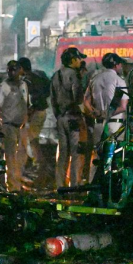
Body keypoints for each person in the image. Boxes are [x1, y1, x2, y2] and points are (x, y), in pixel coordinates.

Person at [85, 52, 129, 181]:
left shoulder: (95, 78)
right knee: (114, 157)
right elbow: (123, 106)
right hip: (115, 124)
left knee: (97, 157)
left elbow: (86, 100)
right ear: (116, 65)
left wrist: (94, 112)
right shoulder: (120, 81)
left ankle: (93, 187)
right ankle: (110, 186)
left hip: (98, 123)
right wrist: (106, 114)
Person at [52, 47, 86, 188]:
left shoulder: (56, 75)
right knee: (76, 153)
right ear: (72, 60)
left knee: (63, 154)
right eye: (78, 58)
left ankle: (60, 185)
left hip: (60, 118)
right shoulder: (74, 75)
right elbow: (78, 99)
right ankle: (73, 186)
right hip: (73, 118)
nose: (80, 61)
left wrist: (58, 115)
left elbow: (53, 99)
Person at [0, 60, 30, 192]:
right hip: (8, 125)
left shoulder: (24, 85)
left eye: (15, 69)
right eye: (10, 70)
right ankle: (12, 186)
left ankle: (17, 182)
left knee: (21, 155)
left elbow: (25, 104)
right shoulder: (3, 87)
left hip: (21, 126)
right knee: (10, 157)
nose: (12, 72)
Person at [19, 57, 51, 181]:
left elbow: (30, 98)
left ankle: (38, 164)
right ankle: (38, 164)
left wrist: (30, 111)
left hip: (35, 112)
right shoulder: (39, 75)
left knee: (30, 139)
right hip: (42, 111)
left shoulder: (27, 80)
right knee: (32, 138)